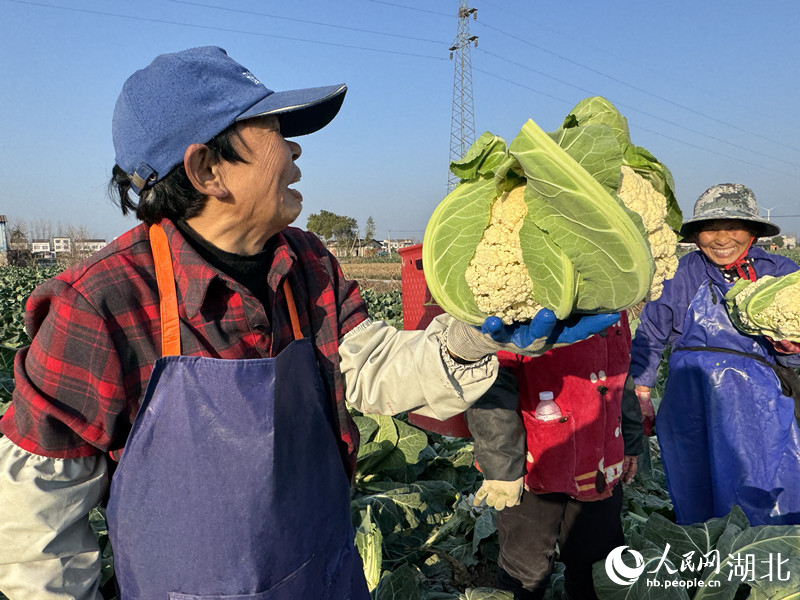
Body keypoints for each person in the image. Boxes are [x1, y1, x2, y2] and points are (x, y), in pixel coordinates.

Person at [0, 46, 618, 600]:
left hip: (323, 573)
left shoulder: (307, 262)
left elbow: (370, 370)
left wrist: (471, 338)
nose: (294, 148)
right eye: (272, 129)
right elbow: (37, 519)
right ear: (206, 169)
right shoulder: (103, 303)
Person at [630, 183, 800, 526]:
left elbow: (792, 359)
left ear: (752, 231)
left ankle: (766, 569)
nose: (722, 239)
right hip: (691, 401)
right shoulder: (681, 273)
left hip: (761, 406)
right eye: (710, 229)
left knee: (765, 488)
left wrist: (790, 349)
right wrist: (642, 390)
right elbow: (651, 332)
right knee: (695, 487)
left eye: (734, 227)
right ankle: (710, 562)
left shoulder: (781, 274)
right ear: (696, 235)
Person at [466, 312, 644, 600]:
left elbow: (621, 377)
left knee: (596, 566)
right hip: (532, 468)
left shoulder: (614, 305)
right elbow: (492, 382)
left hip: (600, 467)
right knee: (525, 570)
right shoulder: (519, 308)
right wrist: (502, 467)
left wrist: (631, 440)